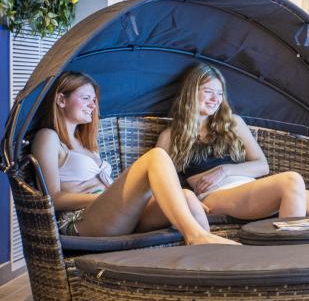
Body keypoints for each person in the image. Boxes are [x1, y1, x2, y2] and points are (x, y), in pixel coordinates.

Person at [30, 72, 236, 245]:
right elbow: (53, 198)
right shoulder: (48, 137)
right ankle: (195, 236)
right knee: (156, 156)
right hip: (81, 219)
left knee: (187, 197)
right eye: (85, 98)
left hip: (112, 213)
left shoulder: (86, 144)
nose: (92, 106)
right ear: (61, 100)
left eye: (94, 100)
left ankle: (211, 257)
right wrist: (105, 198)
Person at [156, 63, 309, 221]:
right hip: (214, 196)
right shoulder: (171, 136)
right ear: (191, 92)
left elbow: (262, 166)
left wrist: (224, 170)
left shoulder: (233, 123)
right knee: (291, 181)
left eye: (220, 93)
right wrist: (187, 200)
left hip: (249, 187)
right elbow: (160, 182)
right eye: (208, 91)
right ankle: (289, 251)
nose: (215, 99)